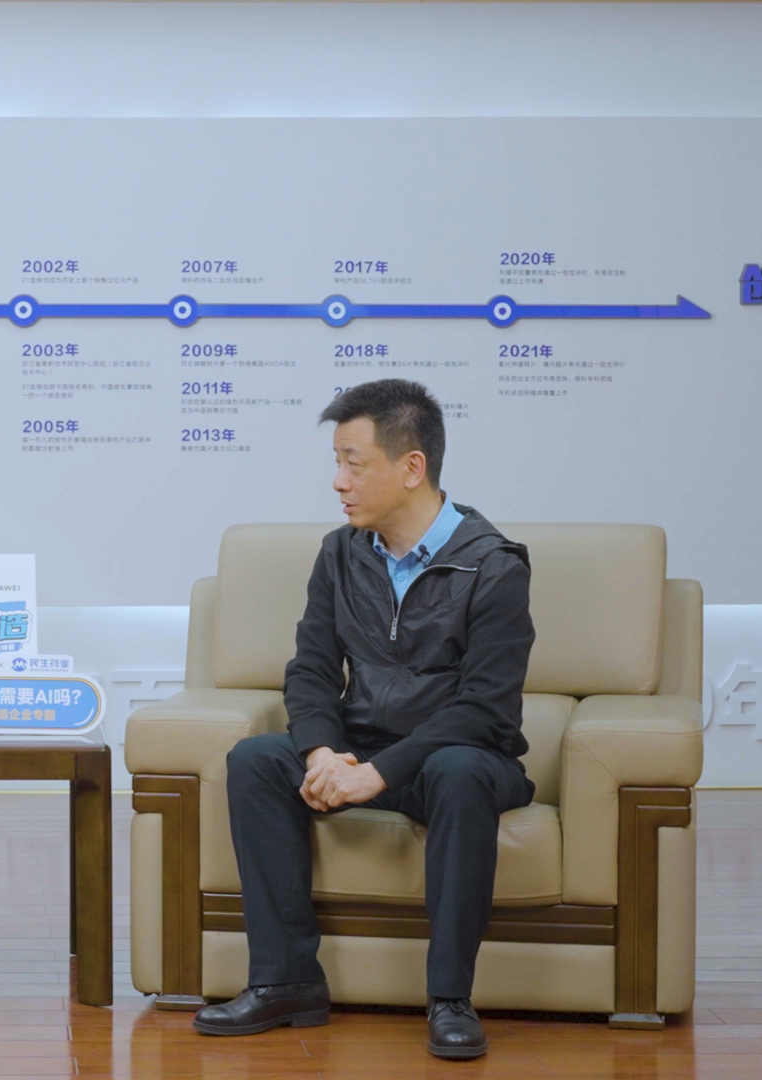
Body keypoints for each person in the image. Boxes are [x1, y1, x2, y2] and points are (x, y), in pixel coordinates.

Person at [192, 379, 535, 1061]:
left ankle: (450, 999)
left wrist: (378, 773)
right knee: (255, 760)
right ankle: (286, 980)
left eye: (354, 462)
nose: (338, 482)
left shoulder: (492, 565)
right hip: (360, 747)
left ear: (412, 467)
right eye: (337, 462)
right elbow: (312, 670)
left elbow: (484, 709)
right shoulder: (341, 553)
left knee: (460, 771)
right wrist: (322, 753)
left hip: (458, 758)